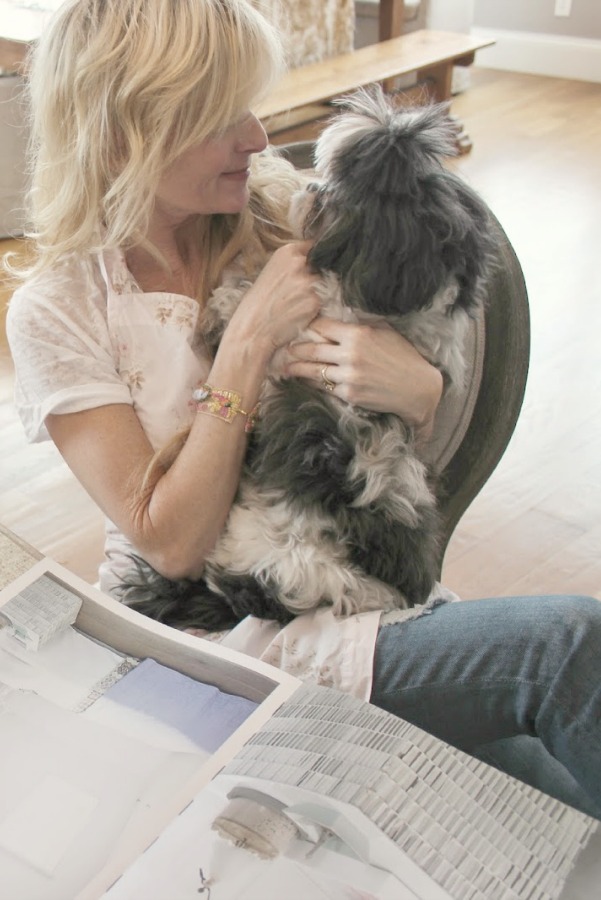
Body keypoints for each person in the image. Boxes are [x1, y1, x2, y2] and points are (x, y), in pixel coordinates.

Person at [5, 0, 601, 820]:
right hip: (212, 630)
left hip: (352, 582)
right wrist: (245, 347)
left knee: (553, 801)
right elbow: (171, 543)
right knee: (567, 650)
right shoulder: (58, 308)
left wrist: (419, 385)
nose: (258, 136)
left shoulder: (285, 208)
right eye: (221, 118)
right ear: (123, 134)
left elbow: (436, 375)